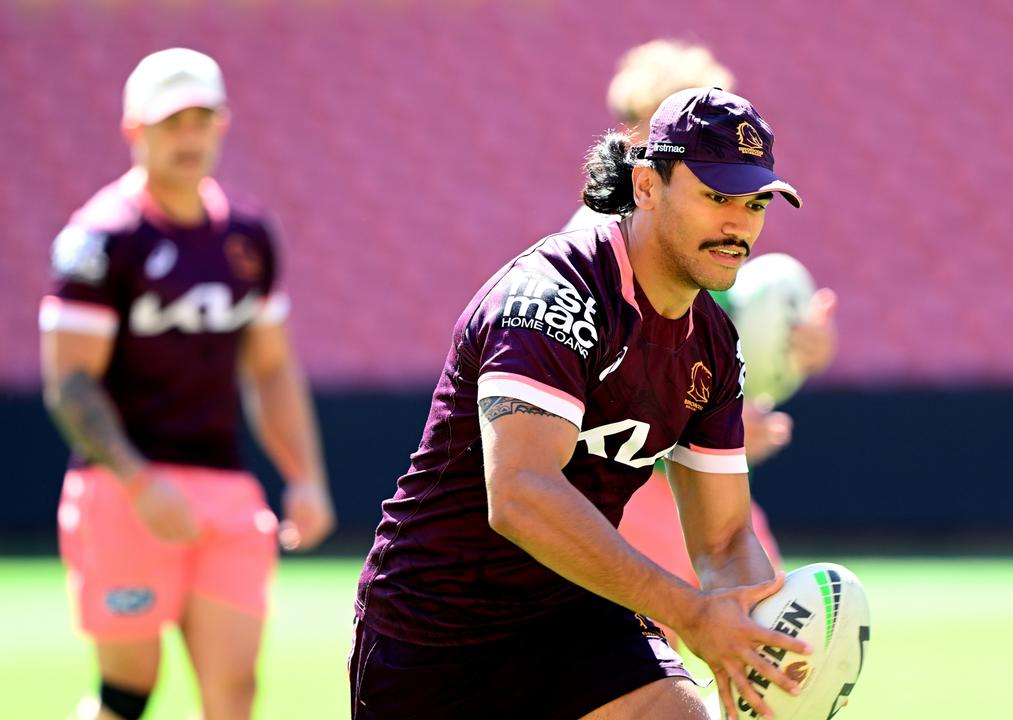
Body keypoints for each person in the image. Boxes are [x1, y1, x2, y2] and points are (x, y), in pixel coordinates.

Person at [351, 88, 810, 720]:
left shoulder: (711, 340)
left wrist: (750, 646)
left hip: (576, 611)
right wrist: (689, 615)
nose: (739, 224)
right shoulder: (551, 294)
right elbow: (520, 493)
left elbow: (727, 538)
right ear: (647, 185)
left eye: (755, 202)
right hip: (436, 628)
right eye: (717, 197)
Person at [39, 48, 335, 720]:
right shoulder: (100, 240)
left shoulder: (249, 236)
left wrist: (306, 475)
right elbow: (71, 383)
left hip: (223, 490)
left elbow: (272, 367)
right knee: (128, 691)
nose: (189, 137)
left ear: (222, 124)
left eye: (201, 119)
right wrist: (141, 483)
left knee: (233, 695)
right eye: (172, 122)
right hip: (122, 490)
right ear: (134, 130)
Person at [563, 40, 838, 631]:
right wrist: (723, 430)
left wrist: (802, 351)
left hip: (682, 483)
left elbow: (729, 354)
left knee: (765, 640)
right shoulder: (603, 248)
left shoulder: (698, 254)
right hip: (622, 489)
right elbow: (610, 398)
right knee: (760, 637)